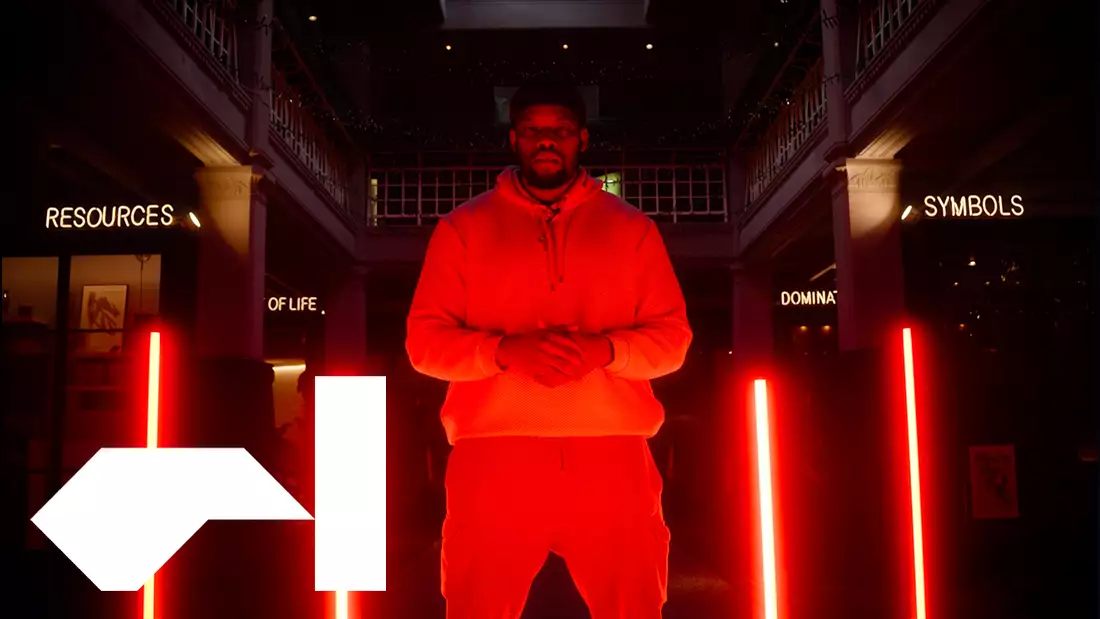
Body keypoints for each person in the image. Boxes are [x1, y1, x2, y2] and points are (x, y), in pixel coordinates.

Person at [406, 77, 692, 619]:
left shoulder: (631, 229)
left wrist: (604, 351)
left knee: (633, 603)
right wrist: (504, 351)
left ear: (582, 138)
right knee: (477, 605)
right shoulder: (462, 229)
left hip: (613, 451)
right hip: (494, 452)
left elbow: (674, 341)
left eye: (558, 130)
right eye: (534, 130)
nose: (546, 140)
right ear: (513, 138)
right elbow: (423, 344)